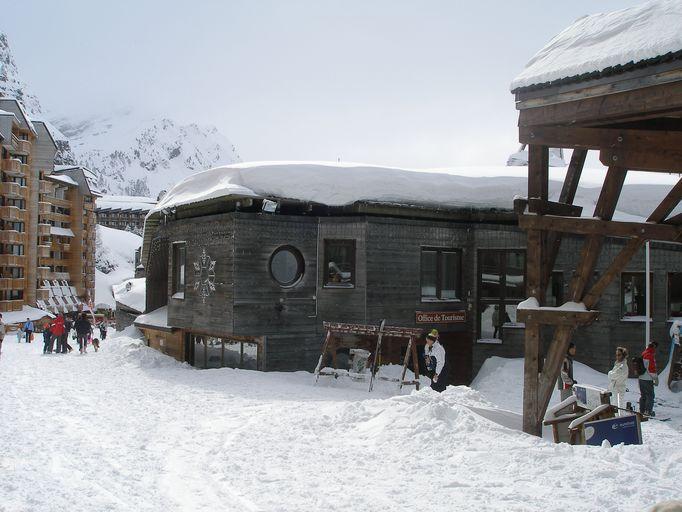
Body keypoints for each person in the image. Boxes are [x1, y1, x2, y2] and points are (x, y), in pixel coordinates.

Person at [639, 341, 658, 417]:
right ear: (654, 347)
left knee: (643, 395)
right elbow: (651, 369)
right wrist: (655, 378)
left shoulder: (643, 353)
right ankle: (648, 412)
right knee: (650, 395)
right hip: (647, 379)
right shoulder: (649, 355)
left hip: (640, 378)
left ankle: (642, 410)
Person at [608, 346, 629, 411]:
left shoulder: (623, 366)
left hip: (619, 390)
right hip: (614, 389)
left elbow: (613, 375)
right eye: (616, 355)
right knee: (614, 407)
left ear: (623, 355)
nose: (617, 357)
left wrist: (610, 373)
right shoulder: (617, 364)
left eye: (619, 355)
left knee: (619, 408)